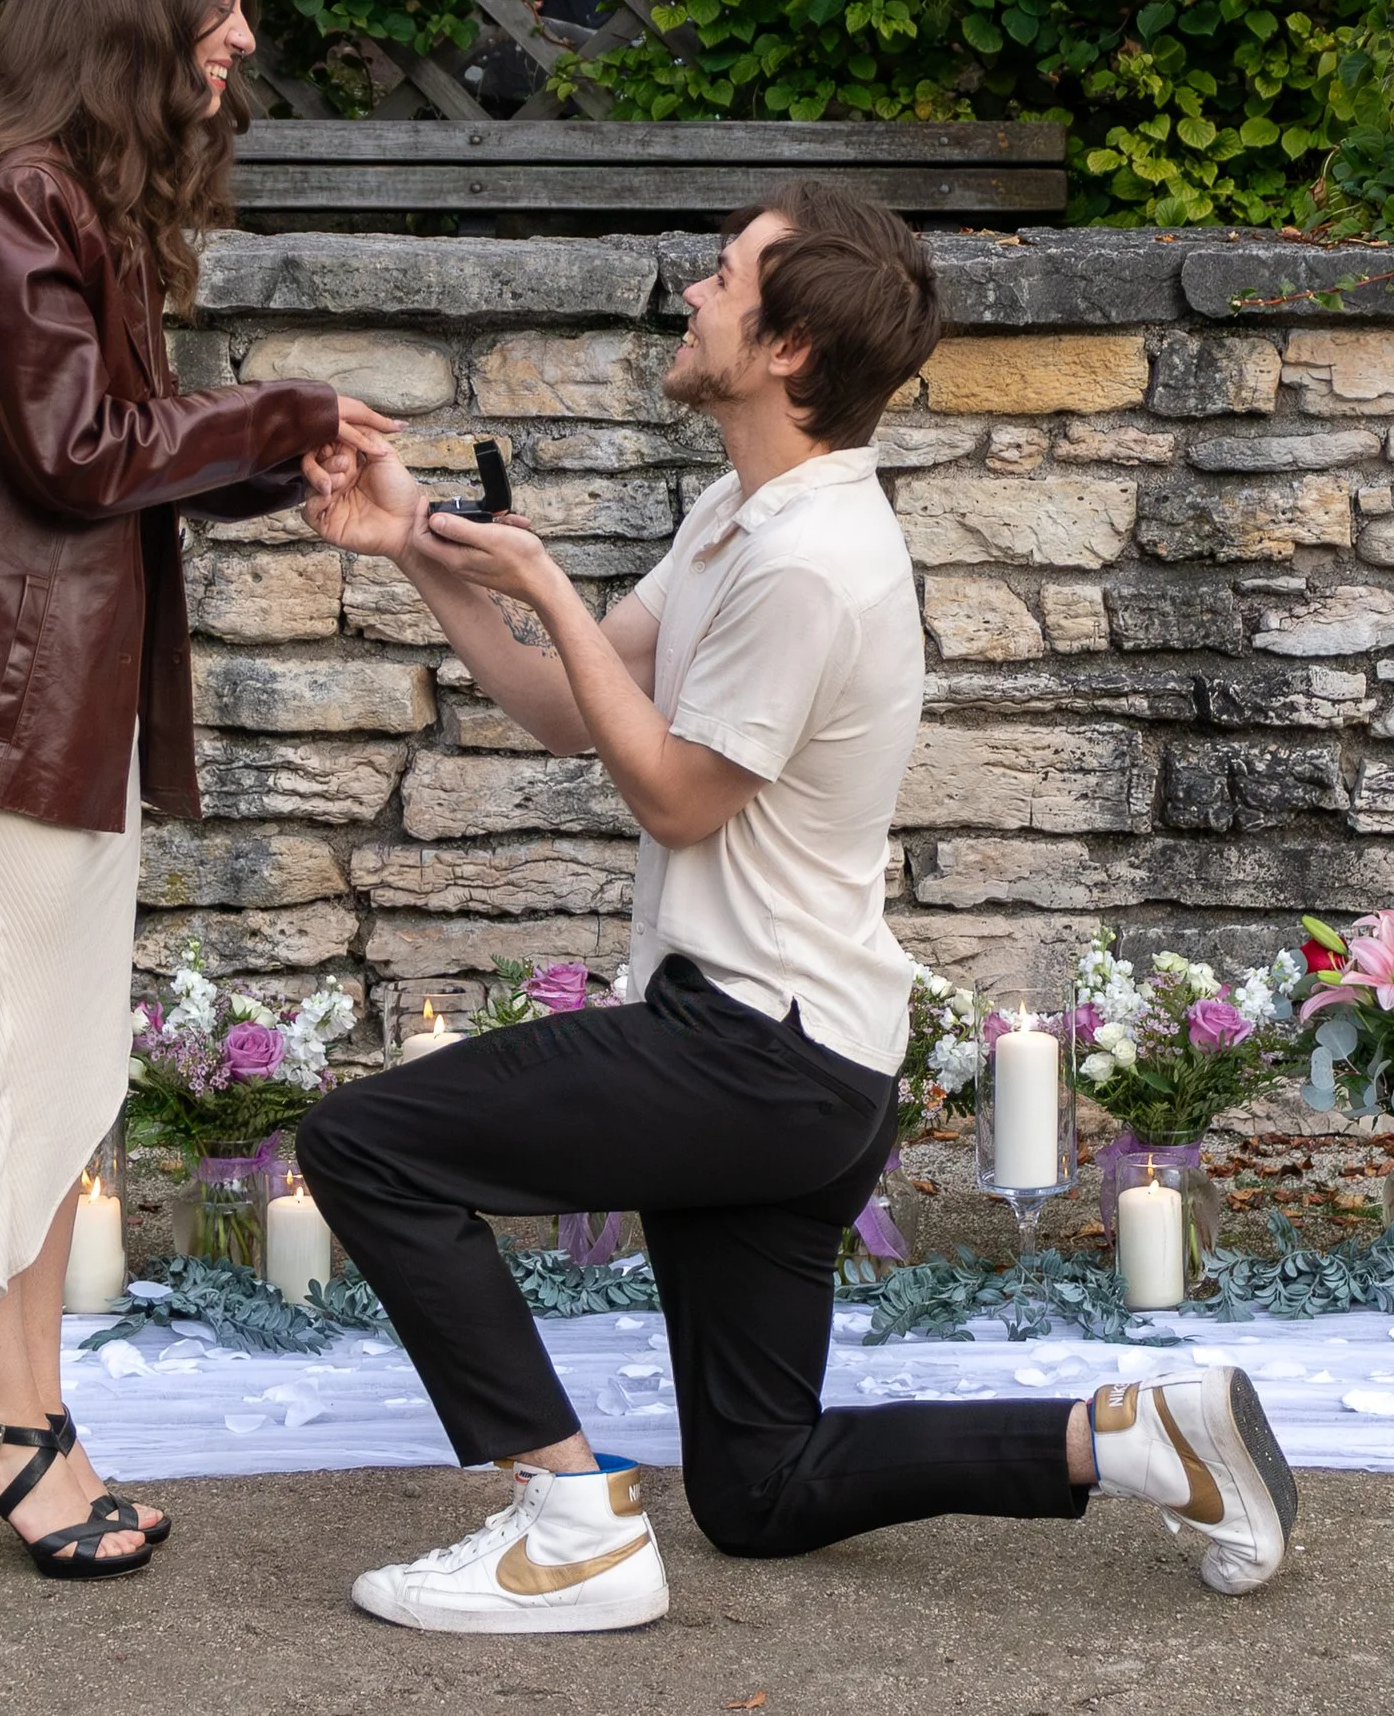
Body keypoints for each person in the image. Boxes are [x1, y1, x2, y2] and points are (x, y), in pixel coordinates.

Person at [296, 185, 1297, 1635]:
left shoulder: (813, 561)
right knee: (758, 1492)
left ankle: (569, 1520)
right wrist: (415, 549)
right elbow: (567, 711)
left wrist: (535, 579)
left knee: (364, 1143)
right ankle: (1138, 1434)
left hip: (755, 1052)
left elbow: (678, 799)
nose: (693, 293)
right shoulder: (744, 511)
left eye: (723, 277)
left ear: (789, 347)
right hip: (795, 1062)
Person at [0, 0, 394, 1581]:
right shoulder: (19, 198)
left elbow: (110, 439)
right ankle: (1, 1429)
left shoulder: (71, 200)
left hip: (51, 697)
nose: (244, 36)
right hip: (2, 703)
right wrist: (277, 408)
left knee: (57, 1066)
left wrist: (284, 459)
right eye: (222, 2)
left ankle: (32, 1414)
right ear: (137, 11)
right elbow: (77, 450)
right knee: (3, 1061)